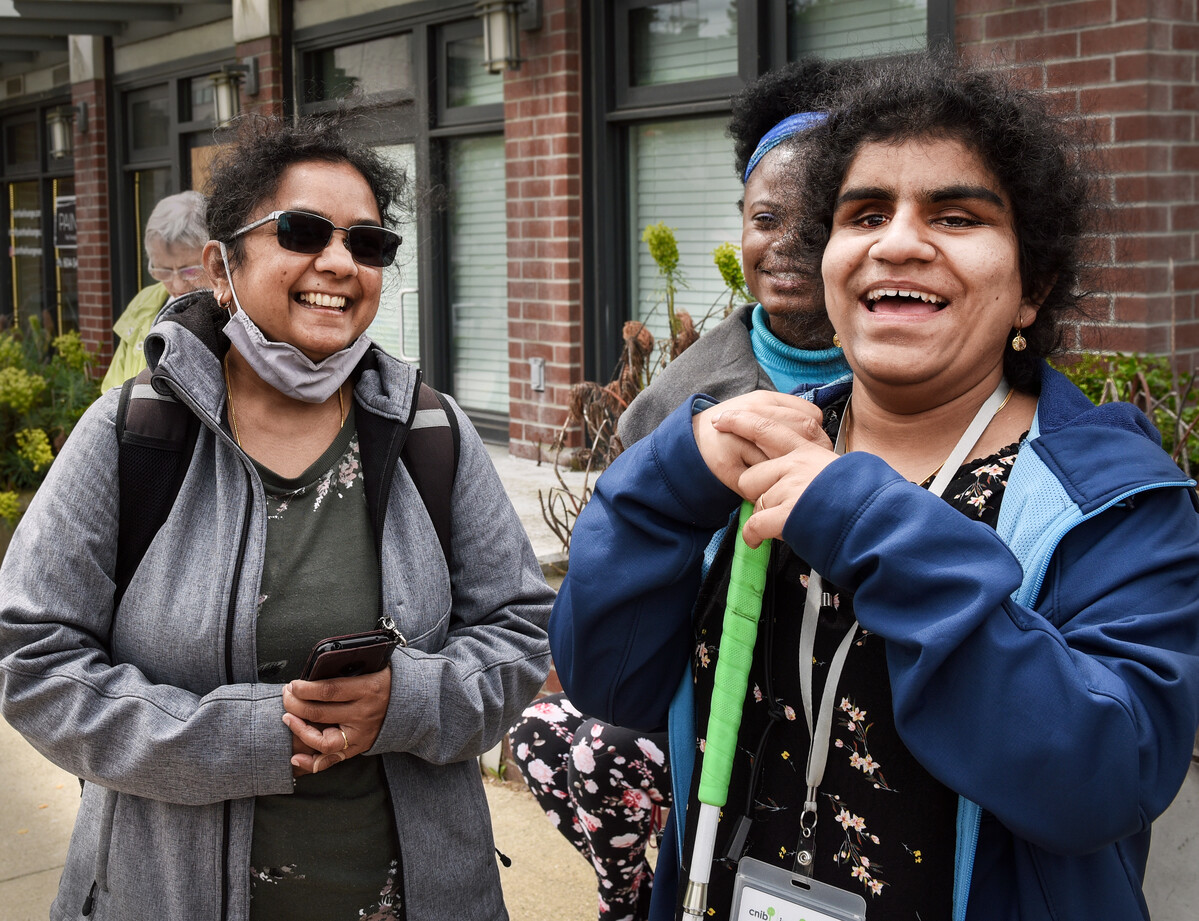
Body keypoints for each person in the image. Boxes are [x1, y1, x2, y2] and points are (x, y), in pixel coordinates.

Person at [550, 50, 1199, 921]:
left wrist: (863, 521)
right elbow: (609, 678)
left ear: (1031, 288)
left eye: (955, 215)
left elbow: (1099, 776)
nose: (896, 240)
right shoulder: (745, 453)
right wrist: (662, 487)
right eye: (863, 214)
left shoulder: (1113, 500)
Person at [0, 114, 553, 921]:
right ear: (221, 269)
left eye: (367, 243)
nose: (338, 261)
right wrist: (242, 738)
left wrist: (407, 700)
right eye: (301, 232)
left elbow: (518, 633)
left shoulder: (429, 430)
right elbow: (34, 657)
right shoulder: (132, 434)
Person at [99, 189, 210, 391]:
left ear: (214, 256)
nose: (177, 286)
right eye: (164, 271)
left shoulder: (235, 307)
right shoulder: (145, 302)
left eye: (191, 271)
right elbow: (110, 392)